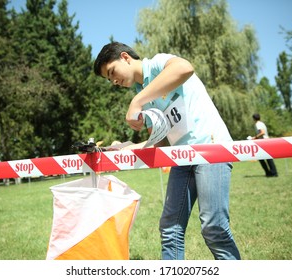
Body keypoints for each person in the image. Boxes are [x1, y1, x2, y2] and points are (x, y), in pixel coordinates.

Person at [94, 42, 241, 260]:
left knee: (214, 228)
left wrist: (137, 100)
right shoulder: (142, 96)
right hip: (181, 158)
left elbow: (184, 68)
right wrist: (124, 148)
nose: (114, 81)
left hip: (211, 148)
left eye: (112, 72)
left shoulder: (157, 64)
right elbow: (159, 142)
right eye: (109, 79)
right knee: (170, 229)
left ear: (125, 57)